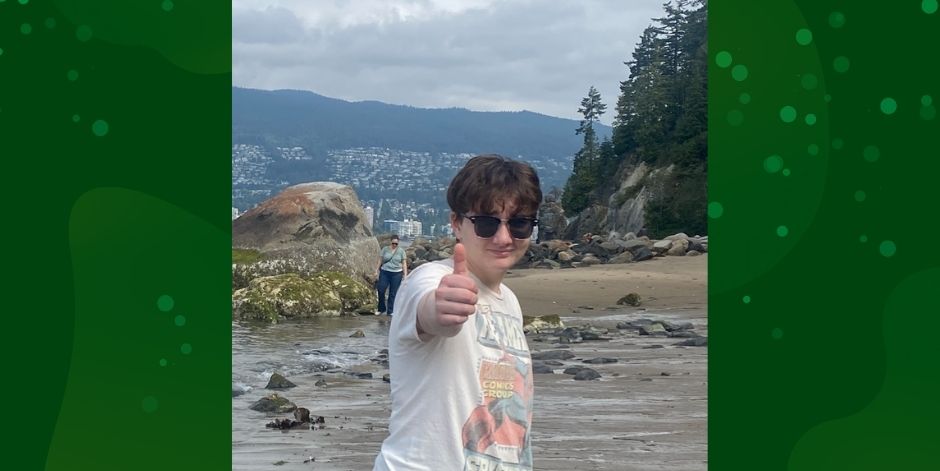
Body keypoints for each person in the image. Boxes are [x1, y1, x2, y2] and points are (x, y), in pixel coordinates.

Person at [374, 154, 541, 471]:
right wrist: (441, 308)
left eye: (519, 223)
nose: (504, 238)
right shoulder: (428, 280)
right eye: (487, 223)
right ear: (456, 224)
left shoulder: (510, 303)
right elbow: (429, 312)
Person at [376, 235, 408, 316]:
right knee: (381, 289)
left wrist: (405, 275)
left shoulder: (401, 251)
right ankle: (381, 309)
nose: (394, 245)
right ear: (390, 242)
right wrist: (376, 270)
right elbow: (380, 260)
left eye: (396, 244)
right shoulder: (385, 249)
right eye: (393, 243)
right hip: (385, 272)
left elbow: (404, 263)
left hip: (397, 273)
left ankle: (390, 311)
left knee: (392, 293)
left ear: (398, 243)